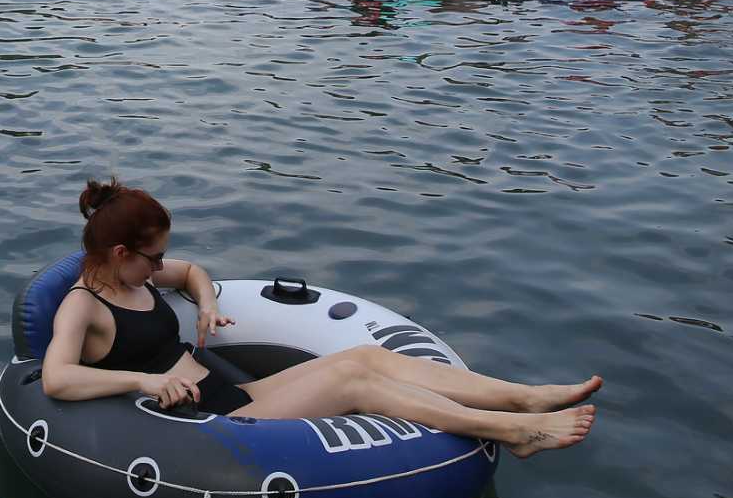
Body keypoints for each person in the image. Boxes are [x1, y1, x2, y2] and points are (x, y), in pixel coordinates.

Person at [41, 178, 598, 452]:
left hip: (230, 394)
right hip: (213, 429)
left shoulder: (138, 276)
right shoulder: (83, 305)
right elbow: (57, 377)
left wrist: (206, 304)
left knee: (367, 354)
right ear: (120, 255)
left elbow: (192, 274)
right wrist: (145, 378)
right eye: (153, 256)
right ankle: (512, 431)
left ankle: (521, 395)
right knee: (355, 380)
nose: (162, 264)